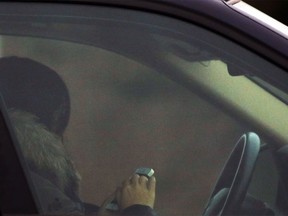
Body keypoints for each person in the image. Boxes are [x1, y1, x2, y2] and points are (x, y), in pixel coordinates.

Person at [0, 56, 157, 216]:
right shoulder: (32, 187)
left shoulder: (20, 182)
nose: (61, 141)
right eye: (60, 126)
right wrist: (138, 209)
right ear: (49, 123)